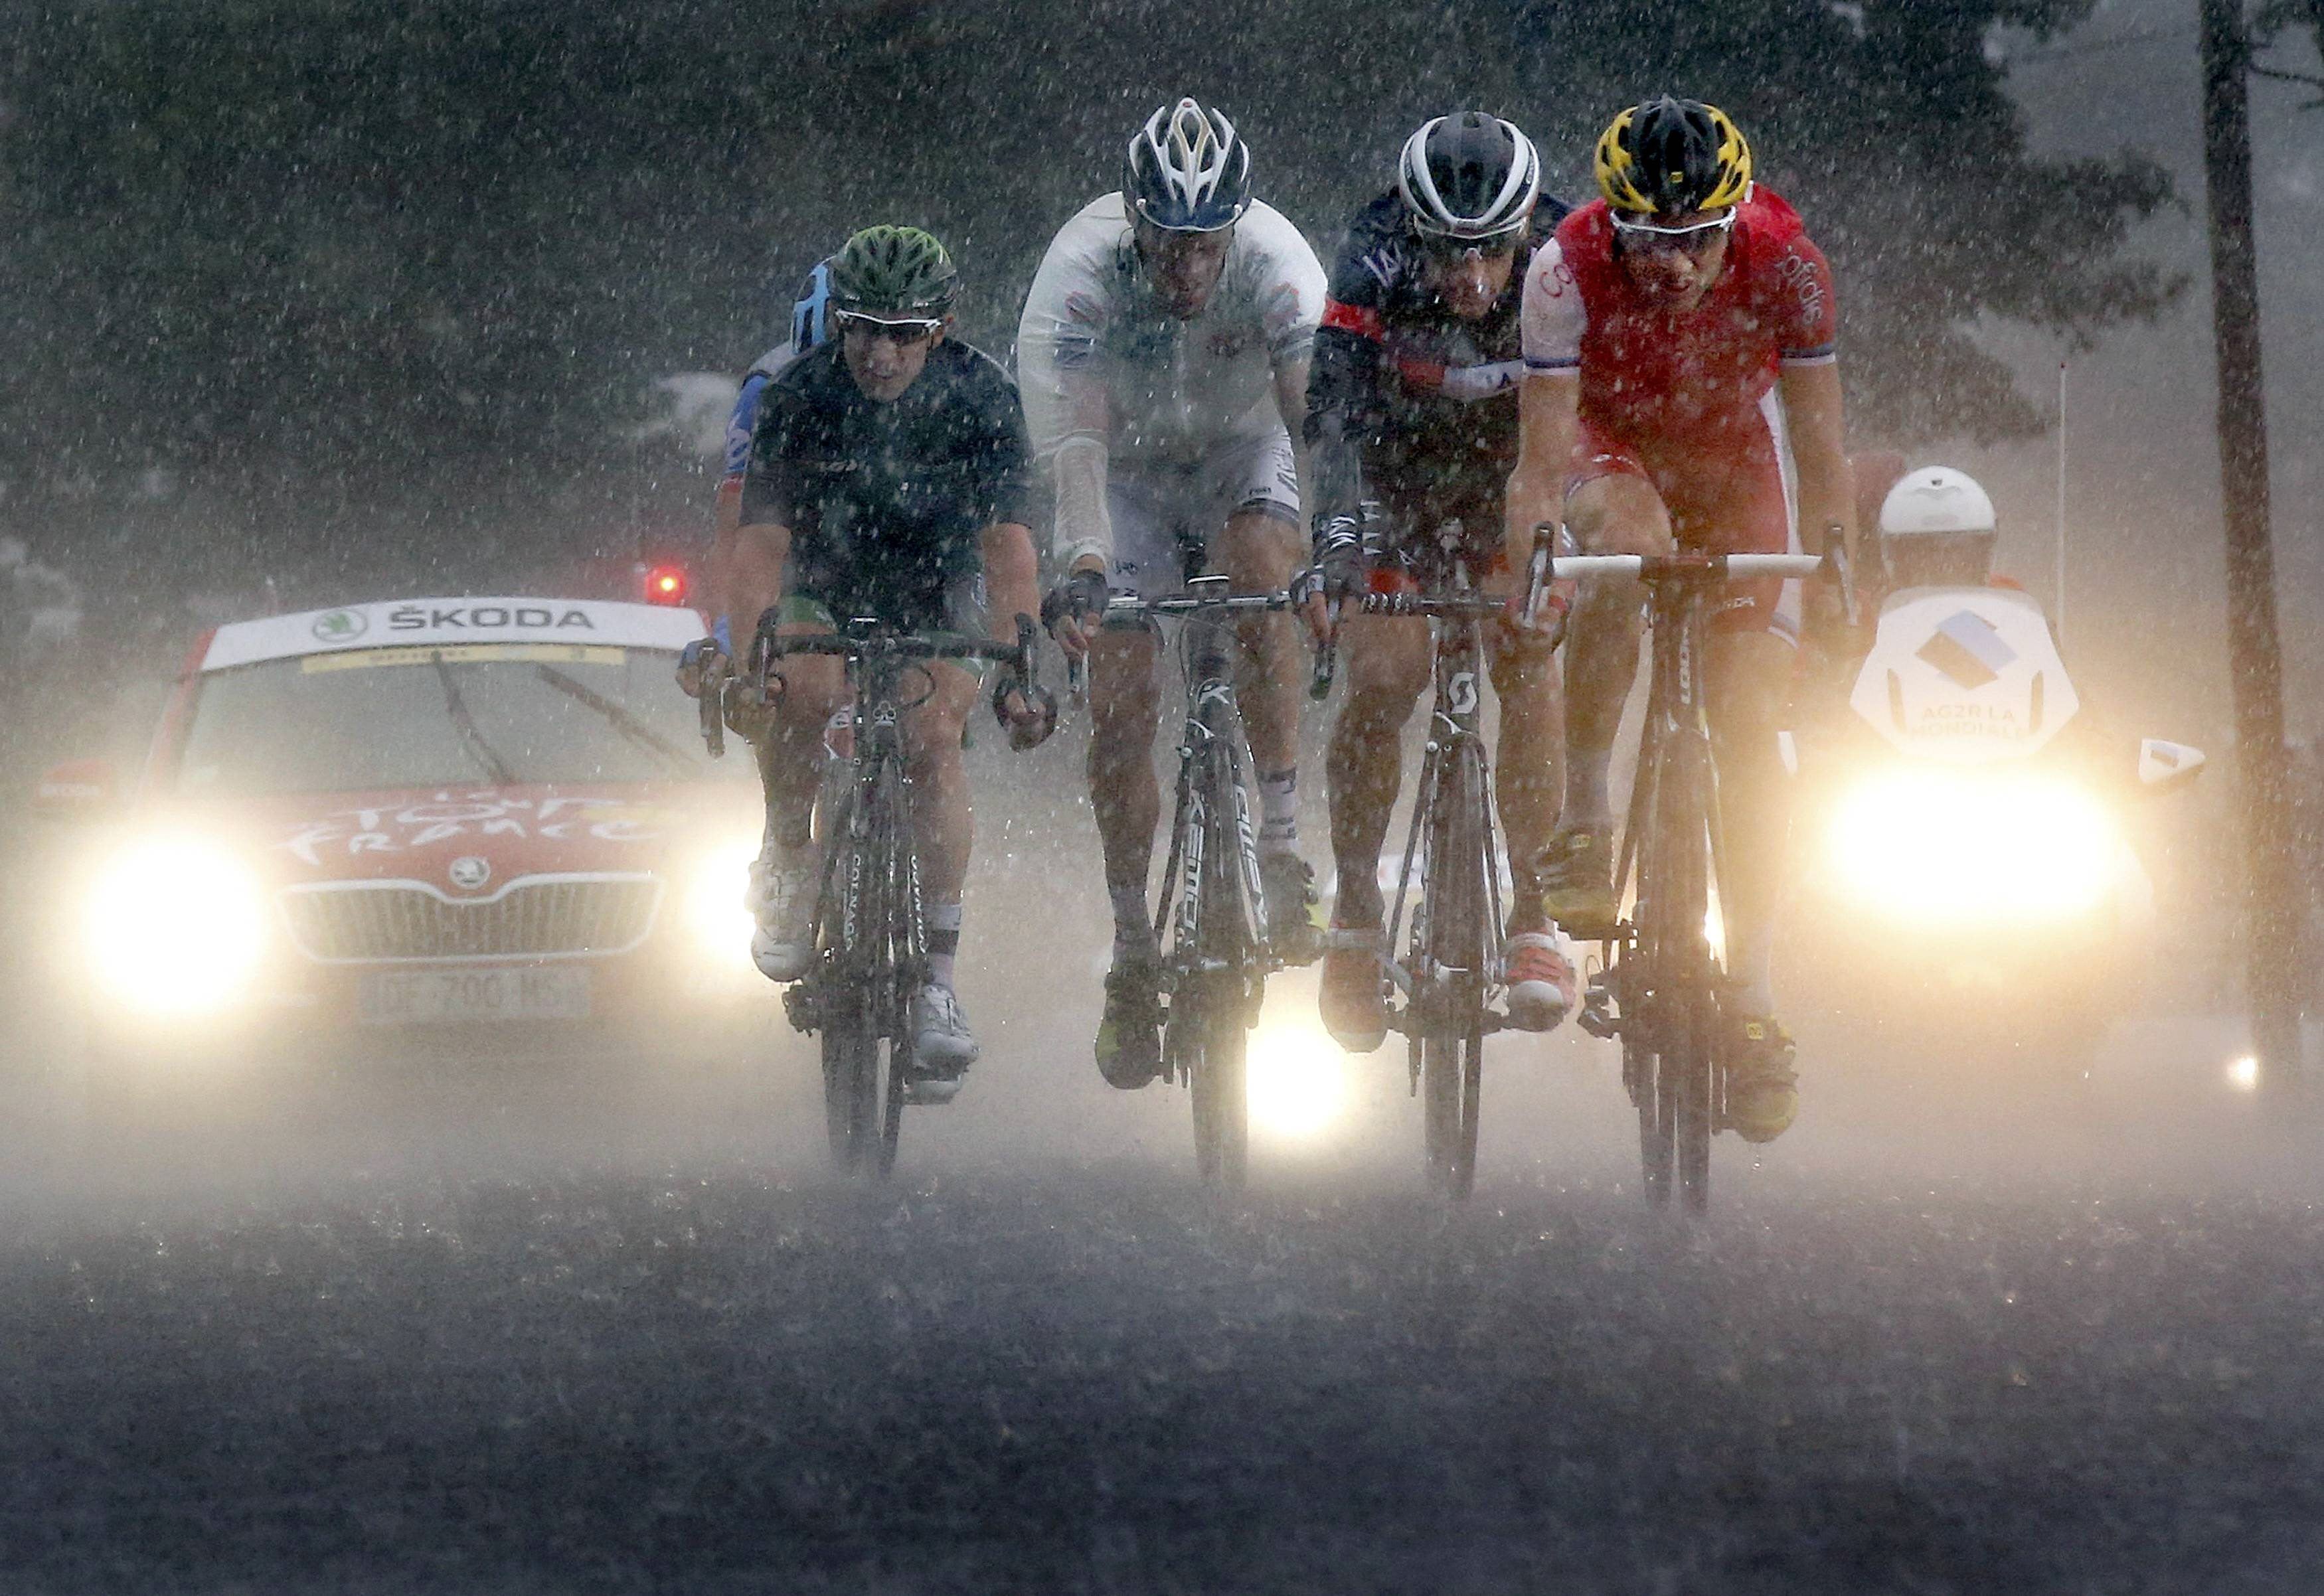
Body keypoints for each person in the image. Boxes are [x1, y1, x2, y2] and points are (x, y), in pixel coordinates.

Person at [1507, 97, 1859, 1143]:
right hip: (1610, 452)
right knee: (1629, 546)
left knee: (1754, 740)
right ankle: (1586, 814)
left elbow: (1824, 454)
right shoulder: (1562, 270)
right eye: (1649, 241)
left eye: (1696, 240)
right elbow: (1537, 460)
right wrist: (1537, 563)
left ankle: (1749, 995)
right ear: (1613, 223)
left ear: (1733, 223)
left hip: (1730, 463)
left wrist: (1840, 575)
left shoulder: (1791, 264)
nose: (1670, 266)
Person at [1019, 97, 1327, 1089]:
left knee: (1265, 581)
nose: (1187, 268)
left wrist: (1330, 552)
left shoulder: (1279, 268)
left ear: (1234, 229)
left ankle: (1278, 842)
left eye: (1206, 247)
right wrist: (1087, 571)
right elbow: (1078, 444)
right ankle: (1130, 948)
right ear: (1134, 224)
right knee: (1118, 704)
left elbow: (1315, 425)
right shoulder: (1083, 274)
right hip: (1129, 468)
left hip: (1245, 446)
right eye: (1166, 245)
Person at [727, 224, 1052, 1099]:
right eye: (864, 328)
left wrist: (1022, 667)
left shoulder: (982, 395)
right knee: (800, 690)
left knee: (934, 736)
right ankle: (791, 857)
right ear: (839, 325)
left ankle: (939, 983)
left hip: (935, 586)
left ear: (939, 329)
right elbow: (759, 548)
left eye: (904, 333)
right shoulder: (799, 394)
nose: (881, 353)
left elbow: (1008, 549)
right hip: (824, 580)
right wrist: (750, 657)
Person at [1302, 111, 1579, 1050]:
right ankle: (1353, 915)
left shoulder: (1564, 256)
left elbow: (1601, 410)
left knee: (1528, 657)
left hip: (1515, 476)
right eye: (1447, 253)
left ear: (1525, 231)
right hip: (1398, 477)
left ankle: (1533, 914)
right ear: (1412, 231)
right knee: (1384, 675)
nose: (1469, 278)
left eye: (1490, 253)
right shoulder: (1373, 251)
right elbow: (1333, 413)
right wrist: (1338, 543)